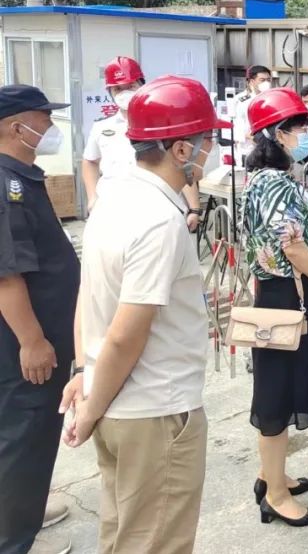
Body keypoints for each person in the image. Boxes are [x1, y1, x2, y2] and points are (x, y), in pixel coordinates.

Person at [62, 76, 228, 552]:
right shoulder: (159, 220)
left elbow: (88, 294)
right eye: (207, 141)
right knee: (155, 542)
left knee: (123, 536)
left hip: (114, 398)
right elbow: (125, 334)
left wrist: (84, 372)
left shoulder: (112, 198)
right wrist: (89, 411)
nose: (211, 151)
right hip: (154, 411)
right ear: (181, 150)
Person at [241, 87, 308, 527]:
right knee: (276, 395)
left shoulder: (260, 180)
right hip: (286, 294)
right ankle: (275, 497)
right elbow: (292, 246)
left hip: (279, 290)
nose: (305, 133)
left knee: (277, 387)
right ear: (277, 134)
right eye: (298, 127)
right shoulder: (276, 184)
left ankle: (272, 475)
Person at [0, 86, 78, 554]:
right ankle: (13, 539)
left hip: (42, 337)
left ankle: (22, 510)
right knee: (24, 439)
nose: (50, 128)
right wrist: (32, 341)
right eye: (44, 119)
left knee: (24, 442)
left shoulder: (21, 176)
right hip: (27, 347)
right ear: (17, 127)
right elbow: (7, 275)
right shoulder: (5, 183)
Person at [82, 56, 202, 229]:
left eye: (130, 86)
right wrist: (92, 197)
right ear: (110, 93)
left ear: (142, 86)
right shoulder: (101, 127)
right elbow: (90, 161)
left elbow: (180, 163)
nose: (124, 93)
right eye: (117, 89)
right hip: (112, 209)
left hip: (156, 209)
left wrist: (194, 208)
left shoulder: (161, 124)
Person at [233, 65, 273, 164]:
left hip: (268, 149)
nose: (266, 83)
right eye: (262, 80)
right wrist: (247, 136)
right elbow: (233, 125)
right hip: (248, 149)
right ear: (251, 81)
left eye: (268, 80)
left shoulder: (272, 98)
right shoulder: (241, 101)